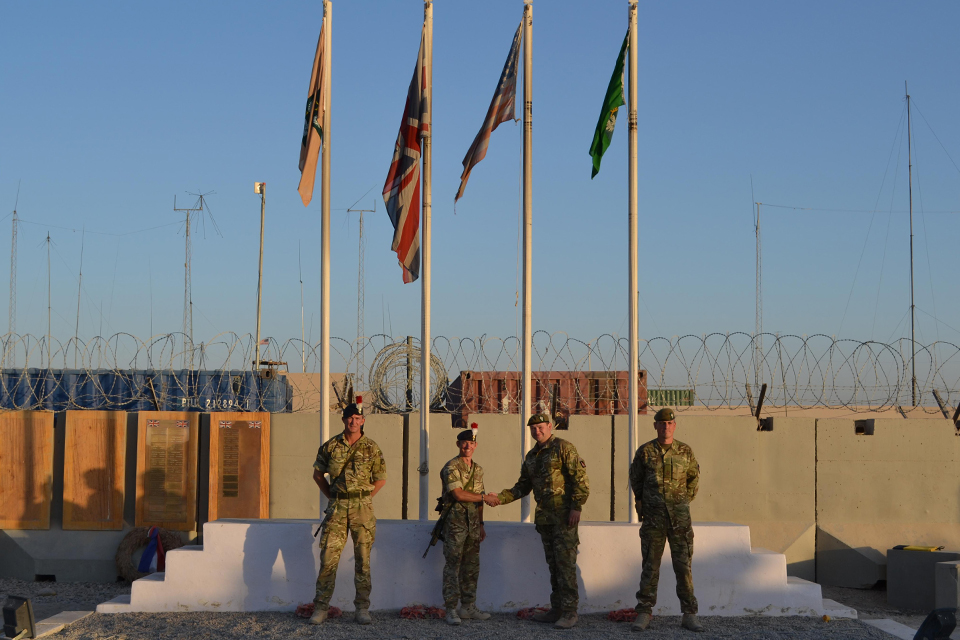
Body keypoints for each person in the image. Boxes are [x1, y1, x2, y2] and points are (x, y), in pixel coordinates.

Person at [484, 413, 589, 630]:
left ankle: (570, 612)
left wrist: (576, 507)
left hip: (564, 518)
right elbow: (522, 486)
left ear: (550, 426)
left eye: (540, 427)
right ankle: (557, 609)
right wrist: (499, 498)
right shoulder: (532, 456)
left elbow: (580, 479)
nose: (537, 431)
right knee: (554, 566)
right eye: (533, 428)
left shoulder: (563, 448)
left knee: (566, 565)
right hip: (546, 519)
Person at [309, 399, 386, 625]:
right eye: (350, 417)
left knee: (363, 560)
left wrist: (363, 498)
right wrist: (333, 497)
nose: (354, 421)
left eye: (358, 418)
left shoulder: (372, 447)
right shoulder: (331, 446)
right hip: (337, 508)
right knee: (328, 559)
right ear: (344, 420)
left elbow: (380, 479)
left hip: (362, 510)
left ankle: (362, 608)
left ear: (363, 421)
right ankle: (321, 608)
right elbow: (318, 475)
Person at [629, 407, 703, 633]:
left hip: (679, 520)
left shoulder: (684, 451)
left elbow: (693, 480)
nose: (666, 427)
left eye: (670, 423)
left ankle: (689, 614)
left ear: (674, 425)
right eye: (661, 423)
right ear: (655, 426)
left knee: (683, 566)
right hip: (653, 520)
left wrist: (679, 502)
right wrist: (645, 502)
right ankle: (644, 612)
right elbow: (636, 480)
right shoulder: (645, 452)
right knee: (650, 566)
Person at [438, 425, 491, 626]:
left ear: (475, 446)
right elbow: (458, 494)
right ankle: (451, 609)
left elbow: (478, 501)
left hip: (473, 525)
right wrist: (485, 497)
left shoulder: (478, 470)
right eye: (464, 442)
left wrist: (481, 523)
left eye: (471, 443)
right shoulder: (451, 467)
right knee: (453, 566)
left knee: (471, 566)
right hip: (455, 524)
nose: (467, 446)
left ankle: (468, 606)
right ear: (458, 444)